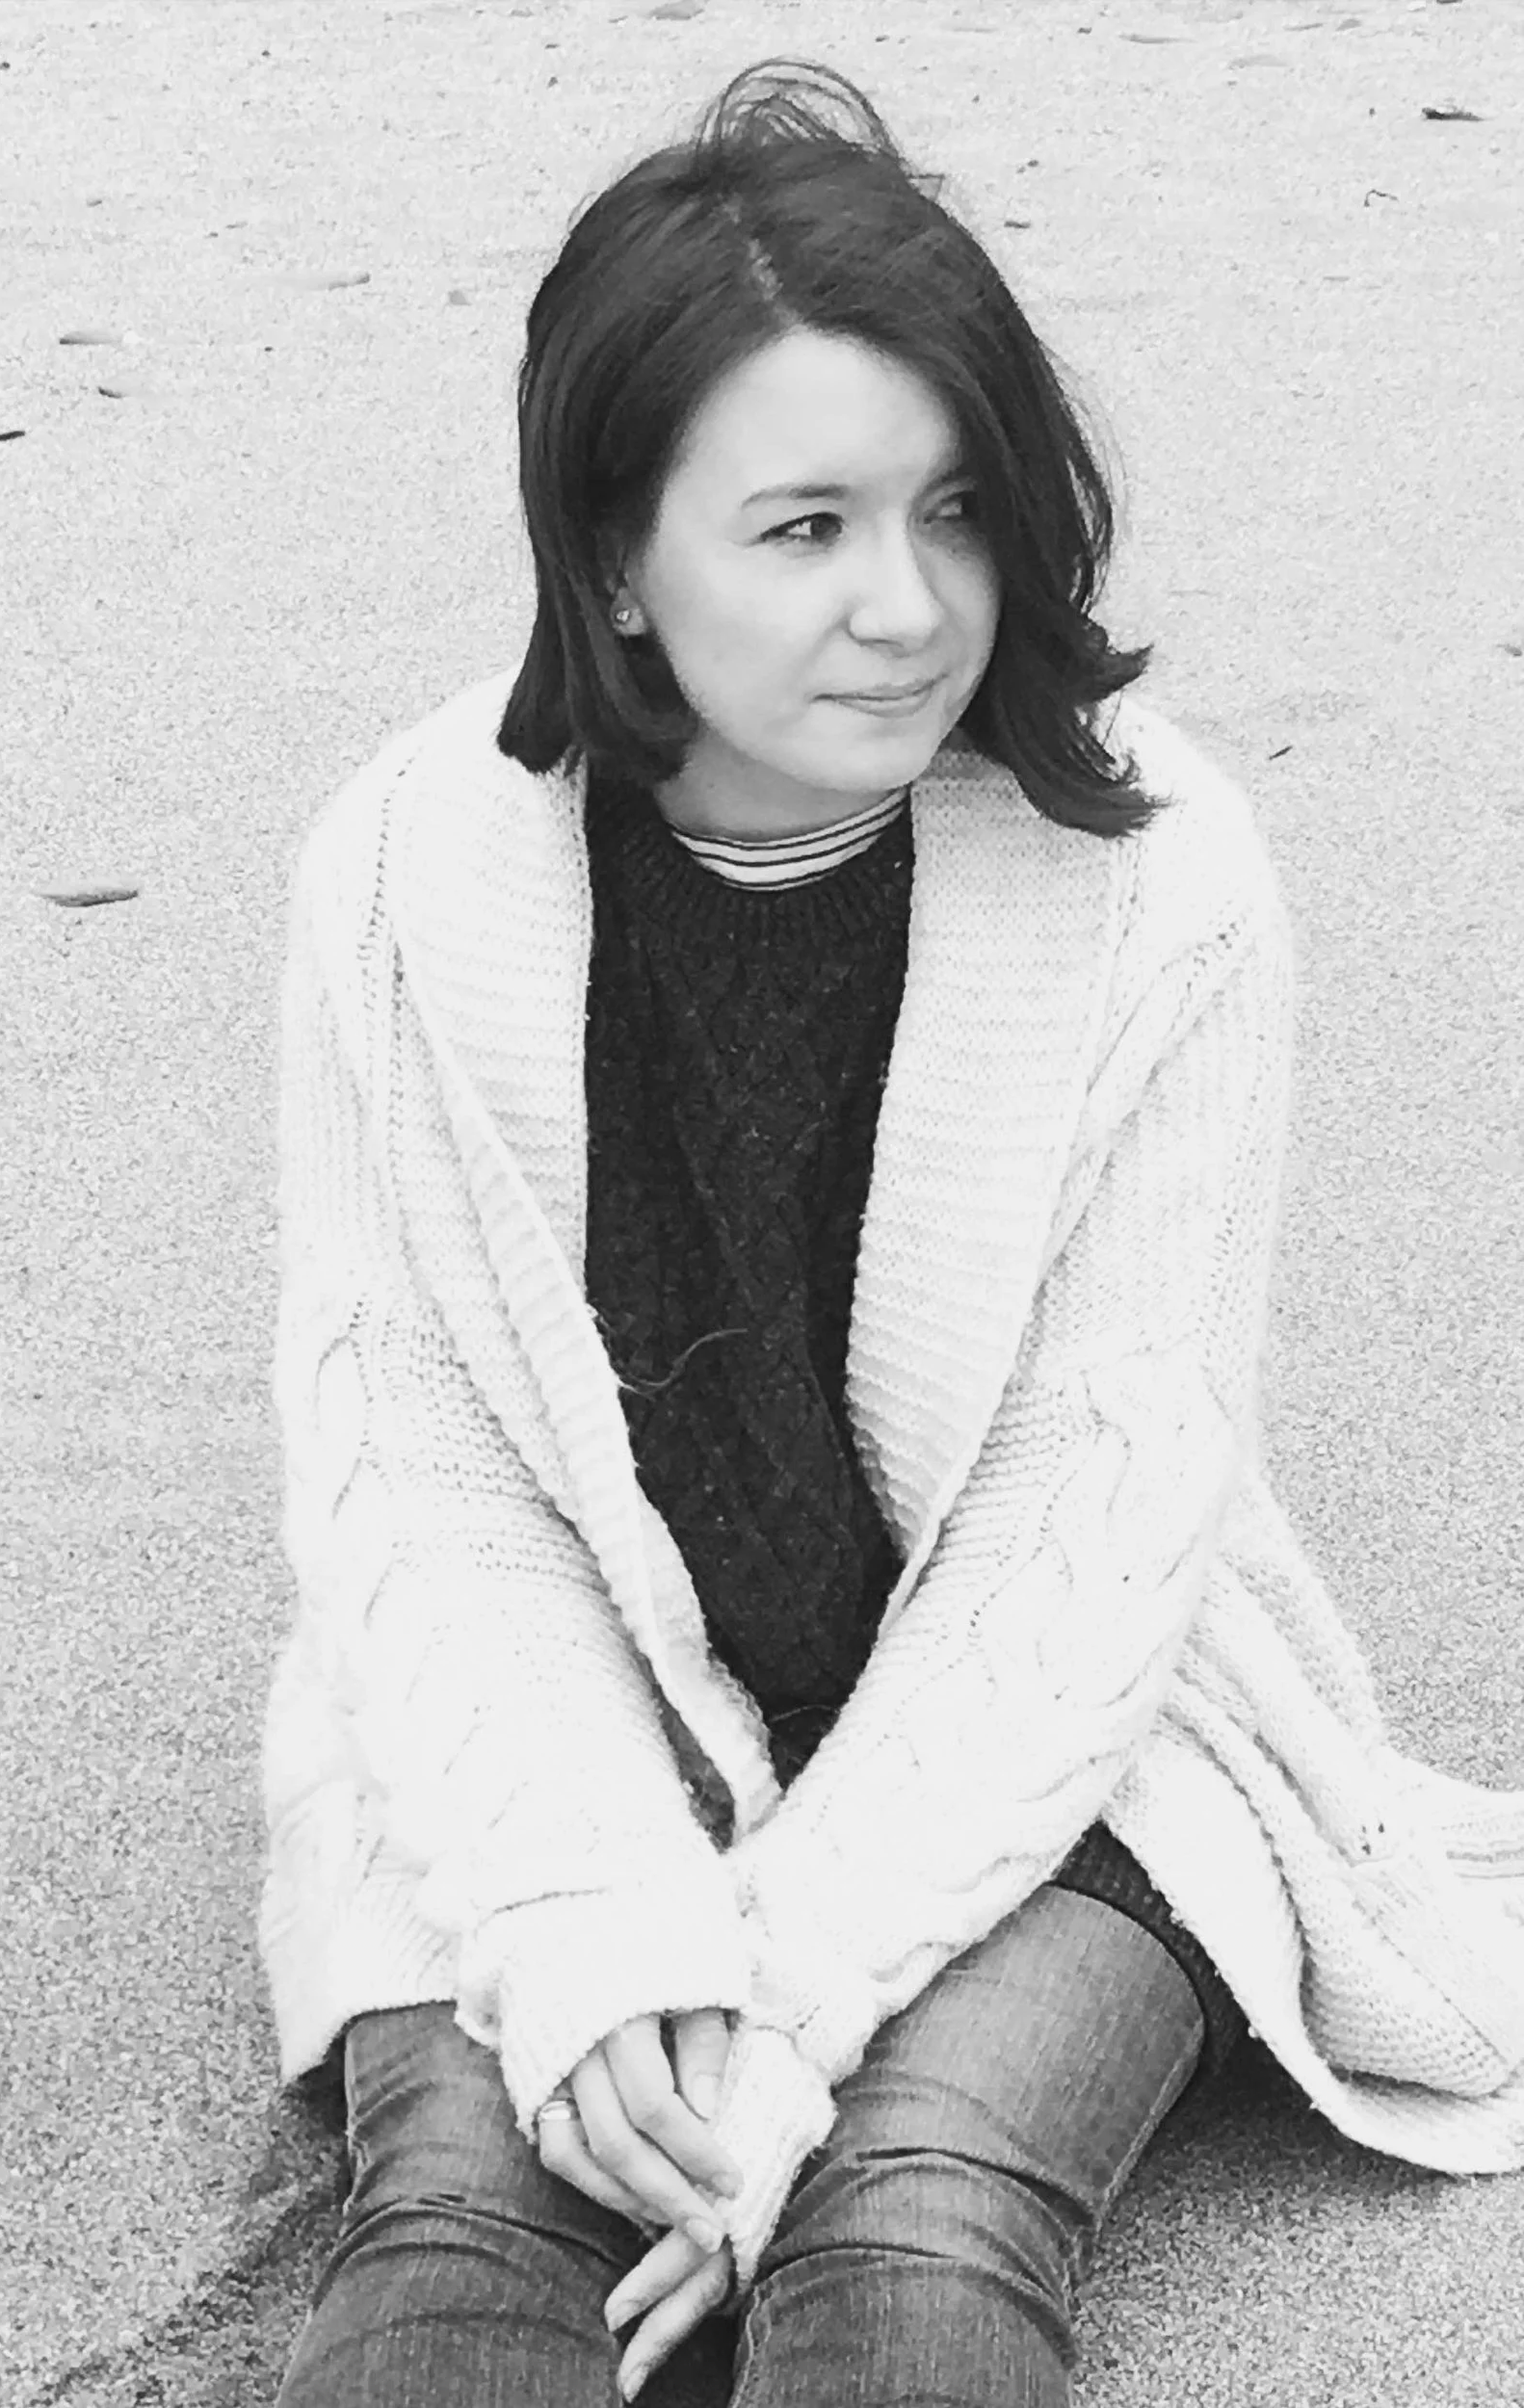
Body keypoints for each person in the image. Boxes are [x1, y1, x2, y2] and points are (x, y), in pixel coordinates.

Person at [257, 59, 1524, 2408]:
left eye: (952, 509)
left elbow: (1092, 1505)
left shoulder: (1161, 885)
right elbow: (420, 1471)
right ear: (615, 553)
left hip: (1055, 1736)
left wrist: (790, 2011)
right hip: (554, 1724)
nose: (905, 604)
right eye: (803, 524)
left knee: (915, 2225)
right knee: (464, 2228)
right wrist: (583, 1917)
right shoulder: (403, 876)